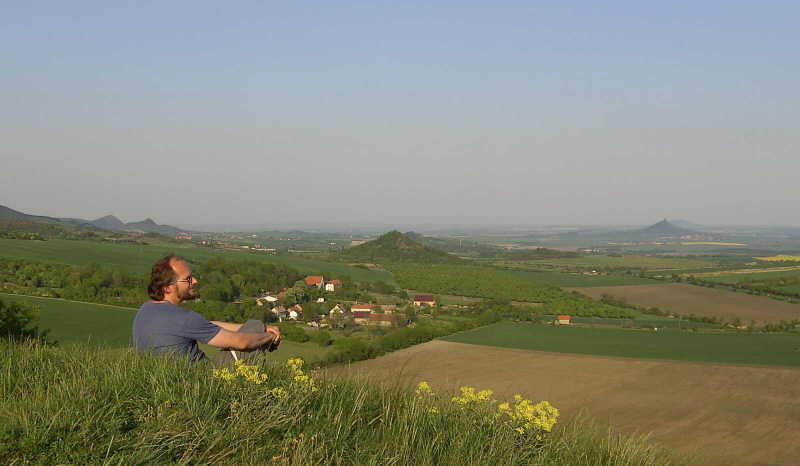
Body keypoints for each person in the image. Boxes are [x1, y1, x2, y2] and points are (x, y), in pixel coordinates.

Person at [133, 254, 281, 362]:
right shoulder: (184, 318)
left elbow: (206, 325)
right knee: (255, 328)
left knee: (255, 326)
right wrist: (270, 337)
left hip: (168, 382)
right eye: (188, 279)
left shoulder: (145, 310)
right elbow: (241, 342)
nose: (195, 281)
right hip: (202, 382)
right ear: (167, 288)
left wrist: (251, 327)